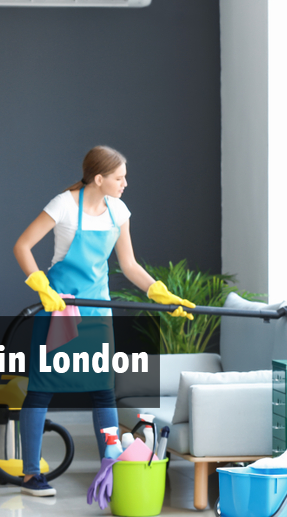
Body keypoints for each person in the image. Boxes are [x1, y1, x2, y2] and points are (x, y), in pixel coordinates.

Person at [12, 145, 194, 497]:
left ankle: (110, 469)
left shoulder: (119, 211)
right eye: (119, 177)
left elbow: (129, 265)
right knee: (41, 390)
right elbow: (22, 246)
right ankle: (31, 474)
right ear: (99, 178)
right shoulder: (64, 204)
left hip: (97, 311)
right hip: (60, 308)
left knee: (102, 392)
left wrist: (161, 293)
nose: (125, 183)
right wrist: (40, 285)